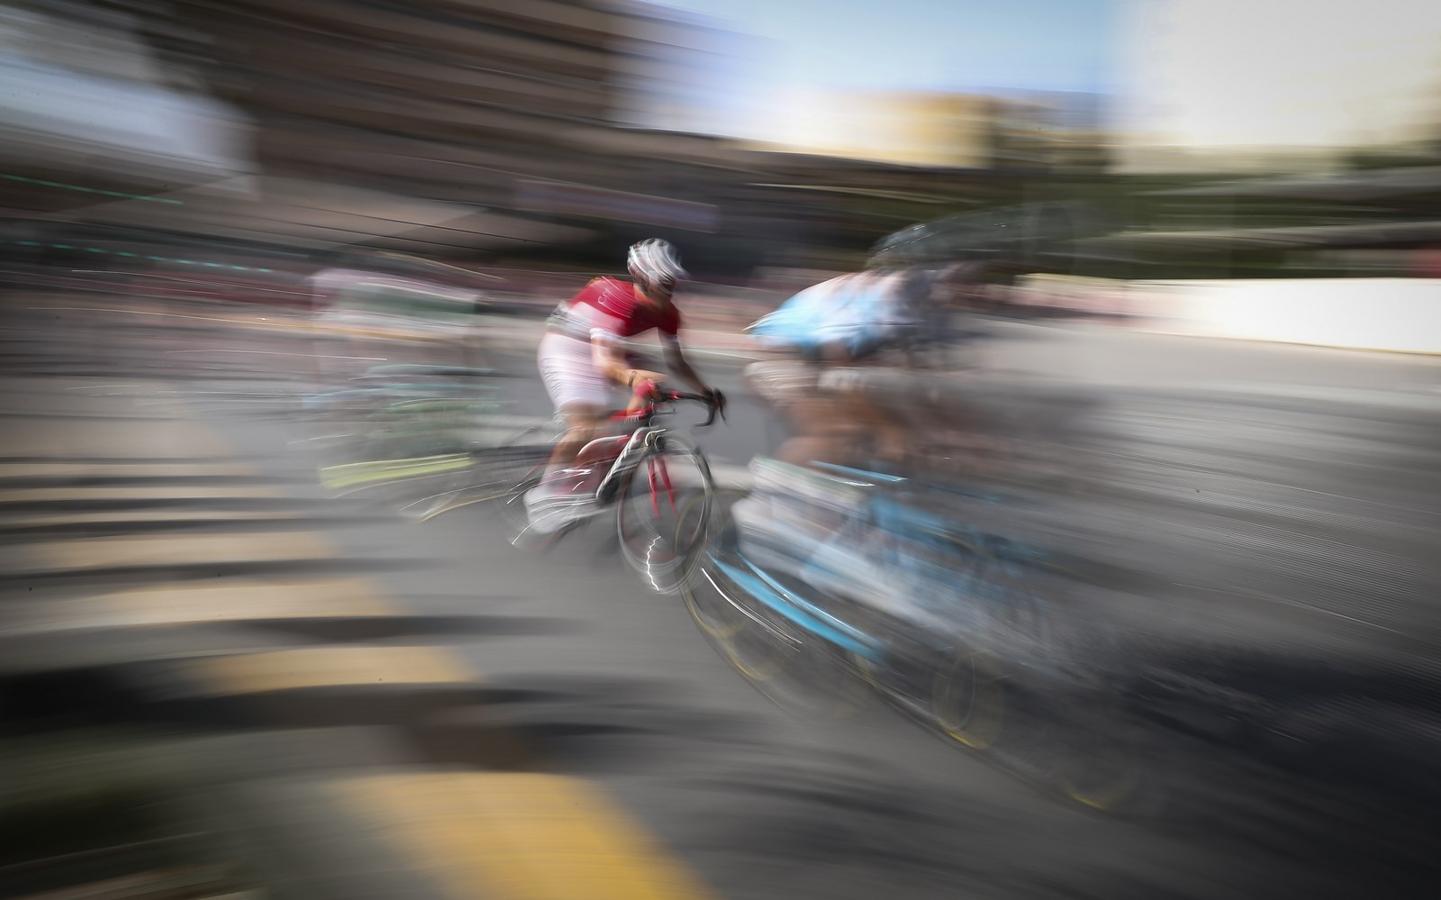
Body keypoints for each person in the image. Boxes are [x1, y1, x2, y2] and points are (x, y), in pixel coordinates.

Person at [526, 239, 724, 533]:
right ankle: (544, 493)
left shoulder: (669, 313)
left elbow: (677, 363)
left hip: (607, 347)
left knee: (652, 380)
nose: (670, 290)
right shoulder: (617, 298)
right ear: (643, 278)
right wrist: (634, 378)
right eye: (664, 283)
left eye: (673, 284)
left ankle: (622, 448)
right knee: (586, 427)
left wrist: (707, 391)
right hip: (567, 347)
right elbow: (606, 363)